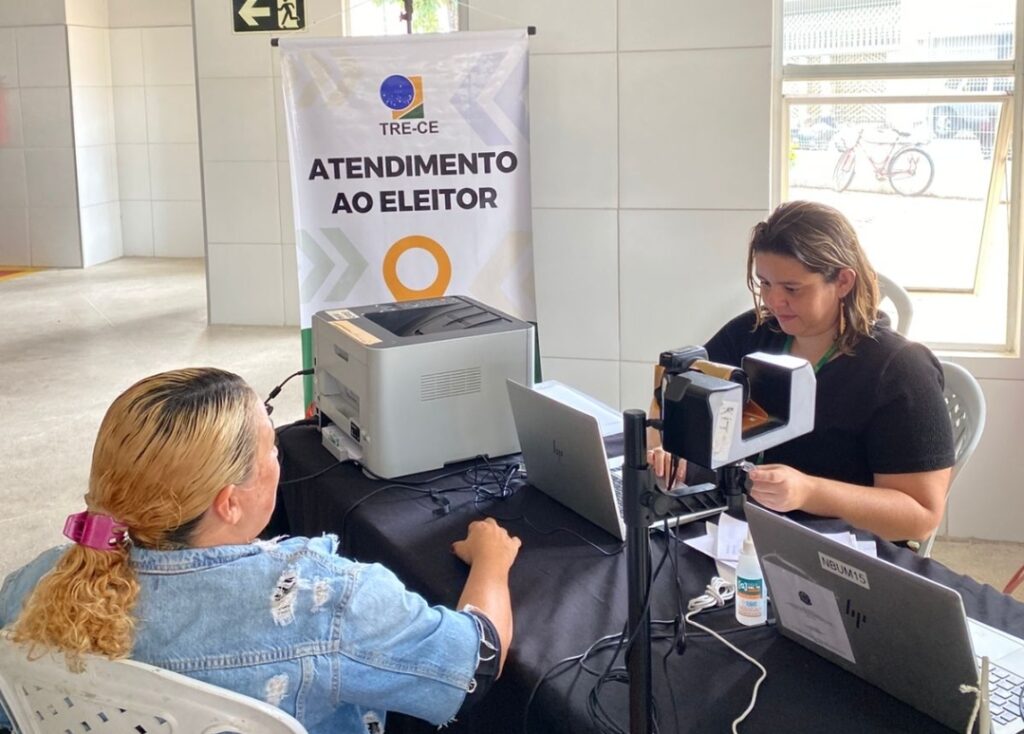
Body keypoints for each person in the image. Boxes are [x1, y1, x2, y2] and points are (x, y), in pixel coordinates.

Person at [0, 368, 520, 734]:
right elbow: (476, 661)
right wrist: (492, 563)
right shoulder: (324, 600)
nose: (279, 458)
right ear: (228, 503)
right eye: (272, 447)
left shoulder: (33, 584)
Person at [649, 201, 954, 542]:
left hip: (832, 550)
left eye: (792, 289)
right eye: (764, 283)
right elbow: (673, 385)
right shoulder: (754, 332)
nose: (774, 302)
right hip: (737, 530)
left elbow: (920, 516)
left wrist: (809, 492)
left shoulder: (900, 370)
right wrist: (663, 444)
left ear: (842, 281)